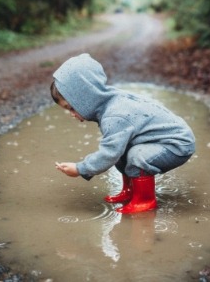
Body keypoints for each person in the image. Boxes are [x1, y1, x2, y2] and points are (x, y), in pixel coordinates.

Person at [51, 53, 195, 214]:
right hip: (160, 140)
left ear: (86, 97)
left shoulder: (114, 115)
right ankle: (130, 191)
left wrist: (80, 168)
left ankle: (144, 200)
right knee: (123, 150)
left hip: (177, 144)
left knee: (135, 155)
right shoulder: (108, 102)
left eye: (71, 107)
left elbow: (108, 154)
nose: (71, 114)